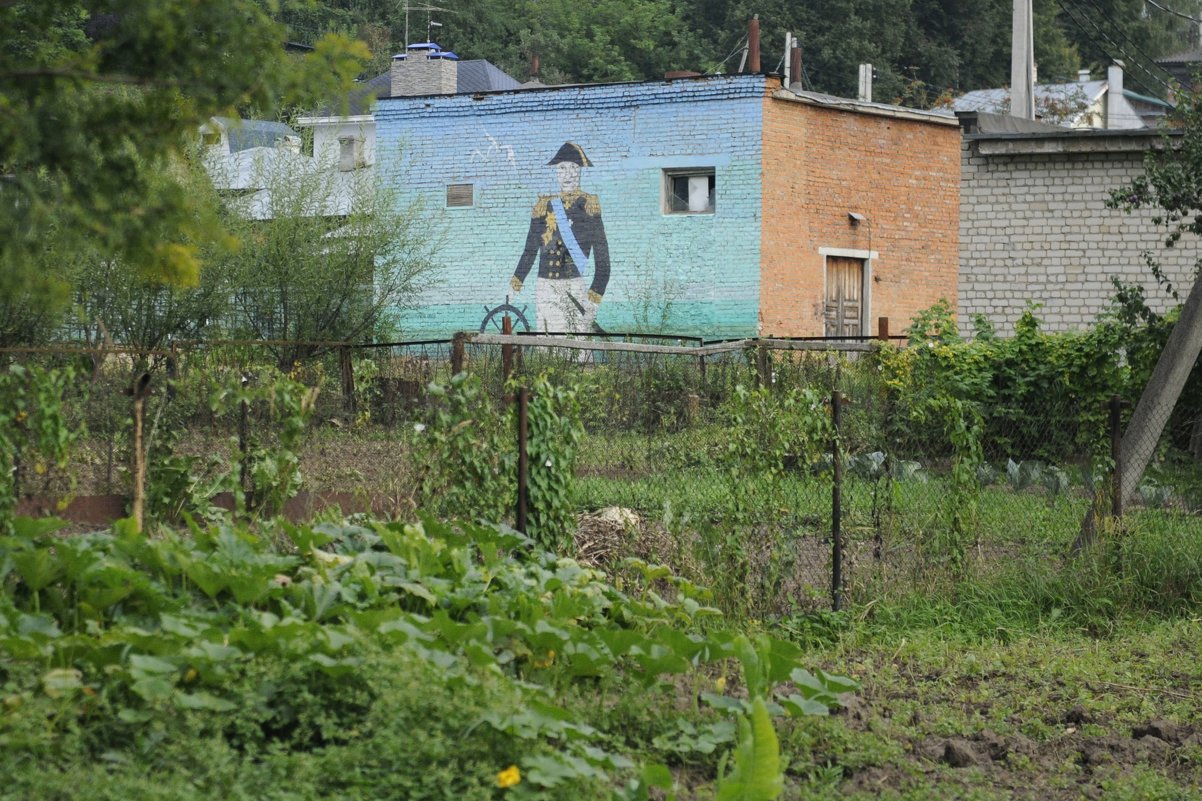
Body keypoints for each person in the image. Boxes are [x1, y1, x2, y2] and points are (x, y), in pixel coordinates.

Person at [510, 142, 610, 333]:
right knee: (546, 344)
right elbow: (530, 251)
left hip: (573, 286)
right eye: (562, 168)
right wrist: (516, 282)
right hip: (545, 287)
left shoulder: (589, 206)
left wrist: (593, 300)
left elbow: (603, 261)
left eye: (574, 168)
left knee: (578, 348)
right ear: (556, 172)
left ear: (580, 172)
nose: (568, 174)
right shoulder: (544, 206)